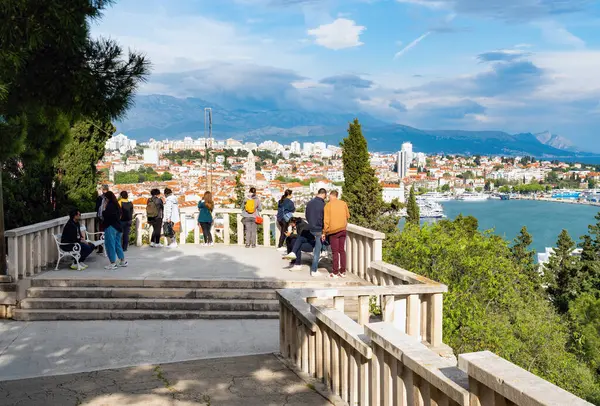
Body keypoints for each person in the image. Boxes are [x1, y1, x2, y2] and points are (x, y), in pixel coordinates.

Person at [323, 190, 350, 278]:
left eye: (329, 197)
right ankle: (343, 271)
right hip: (343, 229)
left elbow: (326, 221)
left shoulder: (328, 205)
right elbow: (347, 216)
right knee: (342, 250)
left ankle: (335, 272)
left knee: (335, 252)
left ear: (331, 196)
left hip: (333, 231)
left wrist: (324, 232)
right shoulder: (343, 203)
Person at [102, 191, 128, 270]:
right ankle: (122, 260)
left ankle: (112, 263)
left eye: (105, 198)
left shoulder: (109, 206)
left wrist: (104, 209)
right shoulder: (116, 205)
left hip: (110, 227)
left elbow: (105, 215)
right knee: (117, 244)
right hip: (118, 227)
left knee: (110, 245)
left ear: (107, 198)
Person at [305, 188, 327, 276]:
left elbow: (306, 215)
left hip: (311, 228)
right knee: (317, 250)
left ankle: (324, 250)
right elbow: (324, 218)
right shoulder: (323, 205)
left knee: (317, 247)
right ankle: (314, 270)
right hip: (319, 229)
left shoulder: (310, 203)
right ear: (324, 194)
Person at [94, 184, 109, 253]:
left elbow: (96, 208)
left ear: (103, 190)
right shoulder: (110, 198)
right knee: (108, 233)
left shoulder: (100, 198)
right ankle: (108, 248)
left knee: (100, 233)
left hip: (101, 218)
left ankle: (101, 248)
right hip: (108, 219)